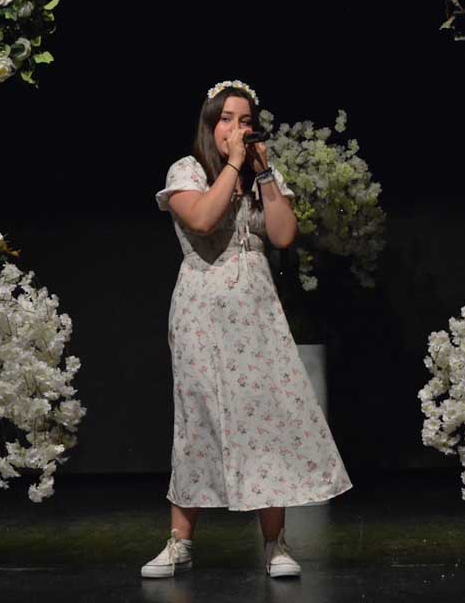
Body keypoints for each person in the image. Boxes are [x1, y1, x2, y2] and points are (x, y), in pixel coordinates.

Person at [142, 80, 352, 579]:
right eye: (227, 120)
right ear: (210, 125)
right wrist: (234, 165)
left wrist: (265, 174)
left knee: (267, 420)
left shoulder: (261, 175)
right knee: (197, 420)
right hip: (202, 312)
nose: (237, 129)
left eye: (245, 120)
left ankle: (275, 543)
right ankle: (180, 542)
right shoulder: (187, 170)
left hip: (257, 312)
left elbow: (283, 234)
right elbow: (202, 220)